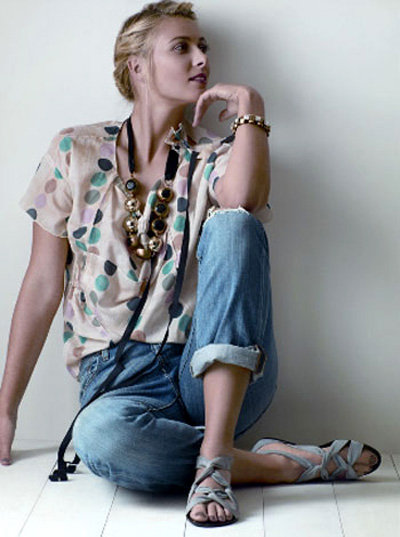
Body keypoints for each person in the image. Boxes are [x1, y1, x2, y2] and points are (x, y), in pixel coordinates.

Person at [0, 0, 381, 529]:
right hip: (115, 382)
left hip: (209, 369)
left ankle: (216, 456)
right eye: (182, 47)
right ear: (137, 66)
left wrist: (251, 109)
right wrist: (7, 409)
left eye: (204, 47)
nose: (201, 58)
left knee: (234, 224)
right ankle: (271, 464)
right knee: (100, 439)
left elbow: (243, 201)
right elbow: (42, 284)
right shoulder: (74, 151)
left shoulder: (214, 156)